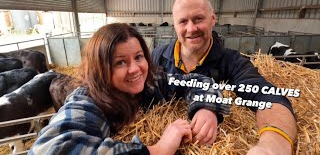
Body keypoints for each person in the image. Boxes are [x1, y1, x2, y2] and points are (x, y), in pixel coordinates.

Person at [29, 23, 228, 155]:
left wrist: (206, 108)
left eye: (139, 57)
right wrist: (158, 149)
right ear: (100, 68)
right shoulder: (89, 100)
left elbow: (197, 81)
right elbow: (48, 149)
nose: (135, 69)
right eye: (120, 62)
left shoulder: (151, 81)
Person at [152, 0, 297, 154]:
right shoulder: (158, 55)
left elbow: (268, 97)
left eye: (198, 19)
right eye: (183, 21)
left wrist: (272, 145)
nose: (191, 28)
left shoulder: (232, 63)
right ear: (174, 26)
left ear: (213, 19)